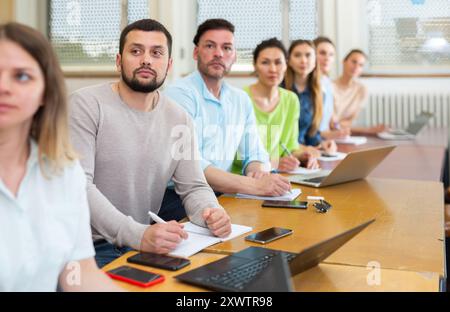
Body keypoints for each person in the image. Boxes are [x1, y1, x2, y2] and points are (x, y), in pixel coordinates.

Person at [69, 19, 231, 268]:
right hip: (86, 245)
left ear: (168, 65)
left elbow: (194, 186)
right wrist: (138, 234)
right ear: (118, 60)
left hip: (141, 241)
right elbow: (79, 186)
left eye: (156, 53)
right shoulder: (85, 105)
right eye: (136, 51)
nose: (146, 60)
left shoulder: (180, 118)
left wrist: (211, 212)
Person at [0, 22, 120, 291]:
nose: (3, 86)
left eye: (21, 76)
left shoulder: (64, 172)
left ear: (45, 93)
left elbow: (78, 271)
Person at [165, 19, 291, 196]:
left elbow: (254, 151)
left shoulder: (240, 99)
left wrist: (257, 171)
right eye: (210, 46)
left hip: (223, 193)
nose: (218, 54)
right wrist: (253, 186)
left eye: (226, 48)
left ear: (234, 56)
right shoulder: (179, 94)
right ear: (195, 52)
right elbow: (188, 162)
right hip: (180, 195)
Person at [233, 38, 318, 173]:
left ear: (286, 65)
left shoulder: (291, 100)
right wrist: (273, 163)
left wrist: (302, 156)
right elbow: (235, 155)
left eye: (278, 62)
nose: (273, 69)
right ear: (255, 65)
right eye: (265, 63)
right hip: (243, 179)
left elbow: (289, 146)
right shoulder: (239, 99)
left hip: (277, 178)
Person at [283, 39, 337, 157]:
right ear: (289, 61)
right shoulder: (279, 89)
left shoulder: (318, 92)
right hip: (283, 154)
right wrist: (303, 148)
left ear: (315, 61)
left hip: (305, 155)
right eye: (297, 55)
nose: (303, 60)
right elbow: (276, 136)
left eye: (308, 55)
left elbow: (311, 133)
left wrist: (322, 143)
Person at [332, 49, 387, 135]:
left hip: (343, 133)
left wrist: (338, 124)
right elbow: (331, 124)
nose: (356, 67)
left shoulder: (361, 90)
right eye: (354, 62)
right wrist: (368, 130)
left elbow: (349, 122)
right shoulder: (330, 87)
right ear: (344, 62)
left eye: (361, 65)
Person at [313, 36, 349, 140]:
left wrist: (336, 127)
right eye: (322, 53)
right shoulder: (307, 84)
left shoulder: (327, 82)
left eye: (331, 54)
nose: (327, 58)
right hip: (314, 141)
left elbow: (328, 119)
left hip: (325, 139)